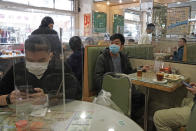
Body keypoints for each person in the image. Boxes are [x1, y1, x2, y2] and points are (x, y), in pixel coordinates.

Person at [0, 35, 81, 106]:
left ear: (50, 56)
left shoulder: (60, 67)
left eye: (41, 60)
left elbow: (76, 92)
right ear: (25, 57)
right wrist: (8, 99)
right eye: (30, 60)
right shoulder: (17, 69)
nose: (36, 64)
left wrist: (48, 98)